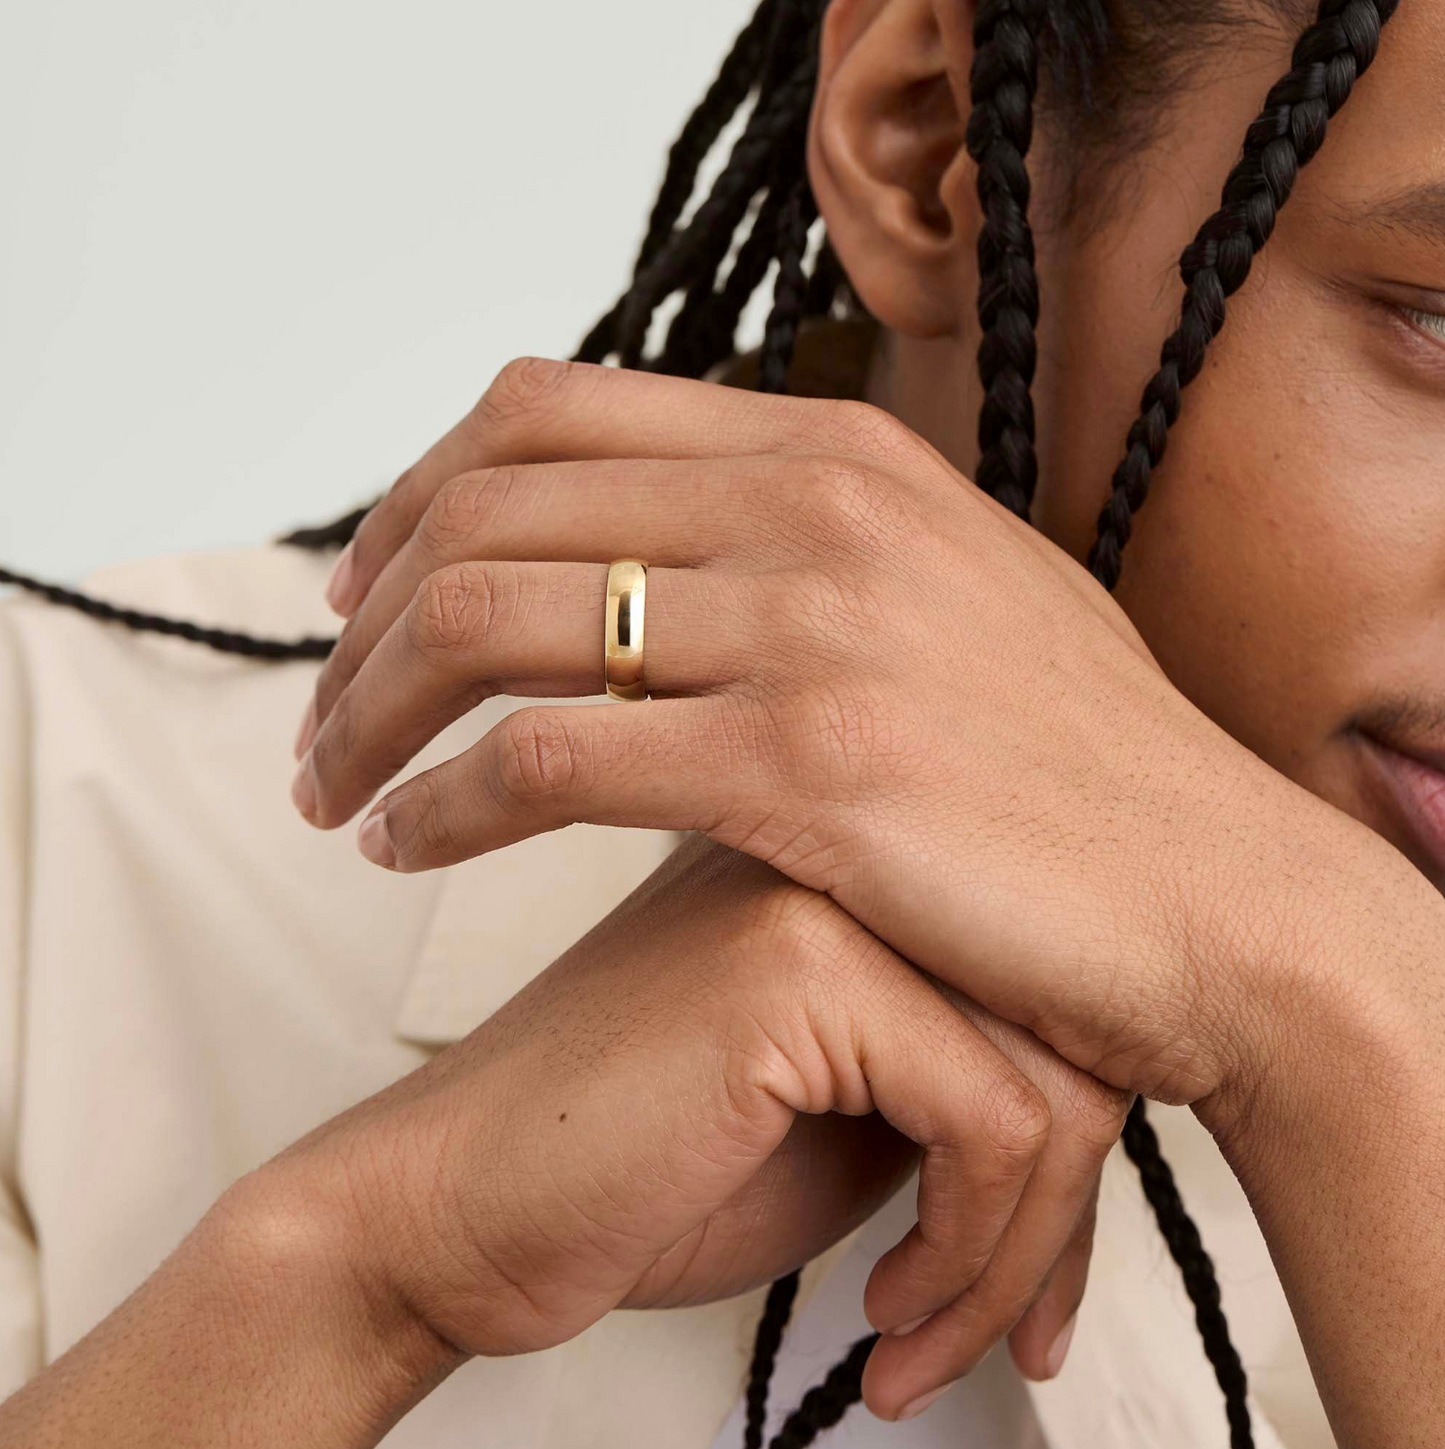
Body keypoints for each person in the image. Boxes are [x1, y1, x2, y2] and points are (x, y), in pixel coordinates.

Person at [0, 0, 1441, 1446]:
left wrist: (1340, 1008)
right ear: (926, 138)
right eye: (1439, 324)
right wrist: (353, 1277)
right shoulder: (50, 843)